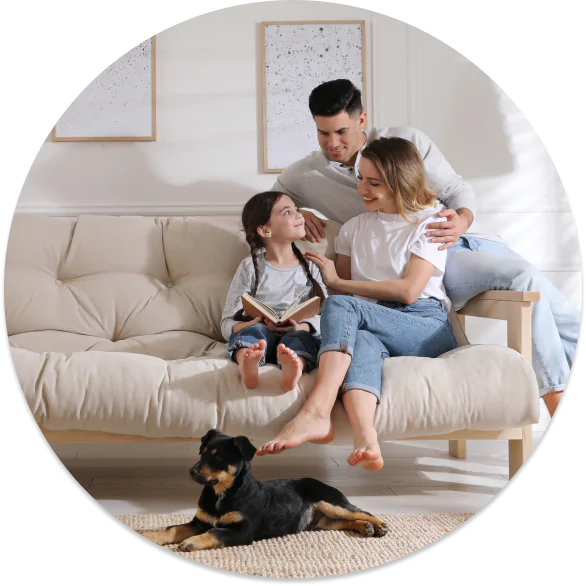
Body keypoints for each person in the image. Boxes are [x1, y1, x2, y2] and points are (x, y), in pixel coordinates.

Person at [270, 78, 580, 418]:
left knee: (560, 312)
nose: (333, 143)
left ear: (361, 120)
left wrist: (461, 220)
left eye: (341, 131)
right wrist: (299, 212)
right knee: (524, 279)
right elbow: (270, 201)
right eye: (323, 133)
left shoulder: (406, 141)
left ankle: (555, 399)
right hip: (419, 258)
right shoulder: (308, 174)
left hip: (454, 241)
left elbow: (457, 189)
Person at [256, 136, 459, 469]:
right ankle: (367, 438)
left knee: (343, 307)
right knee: (359, 340)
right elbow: (343, 303)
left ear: (400, 182)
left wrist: (336, 283)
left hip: (423, 325)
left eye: (373, 182)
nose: (361, 188)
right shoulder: (352, 229)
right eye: (360, 178)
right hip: (373, 324)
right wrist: (307, 314)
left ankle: (316, 411)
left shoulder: (431, 224)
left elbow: (409, 291)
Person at [220, 191, 328, 392]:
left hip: (296, 333)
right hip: (260, 333)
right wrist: (251, 323)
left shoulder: (311, 267)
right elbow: (226, 323)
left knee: (301, 341)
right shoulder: (249, 268)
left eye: (297, 209)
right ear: (265, 230)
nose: (299, 215)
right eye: (288, 212)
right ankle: (247, 361)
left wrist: (301, 327)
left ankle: (295, 367)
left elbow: (328, 317)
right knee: (253, 333)